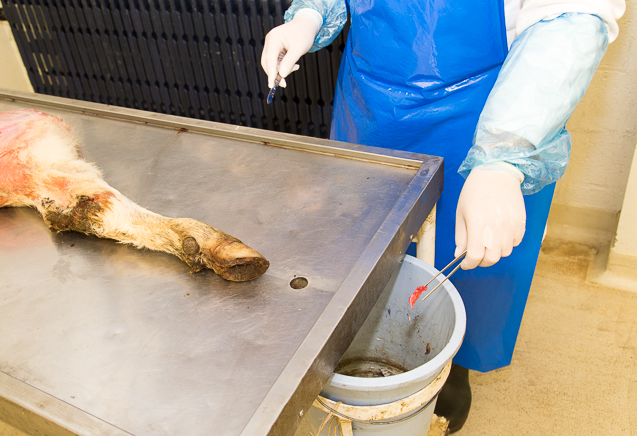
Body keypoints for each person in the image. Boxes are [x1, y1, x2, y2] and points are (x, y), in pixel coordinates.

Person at [261, 0, 625, 432]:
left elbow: (571, 19)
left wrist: (503, 156)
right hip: (373, 103)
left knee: (472, 255)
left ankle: (454, 364)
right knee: (365, 239)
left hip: (484, 111)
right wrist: (311, 15)